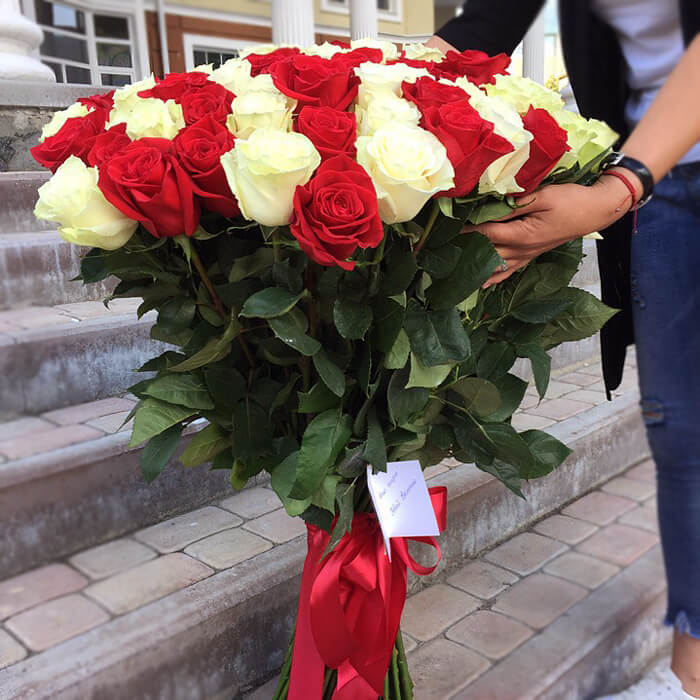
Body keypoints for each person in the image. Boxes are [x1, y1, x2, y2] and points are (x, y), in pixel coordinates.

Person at [427, 2, 700, 699]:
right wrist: (346, 96)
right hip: (663, 185)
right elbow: (480, 29)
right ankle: (693, 674)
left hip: (640, 178)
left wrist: (618, 188)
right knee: (680, 431)